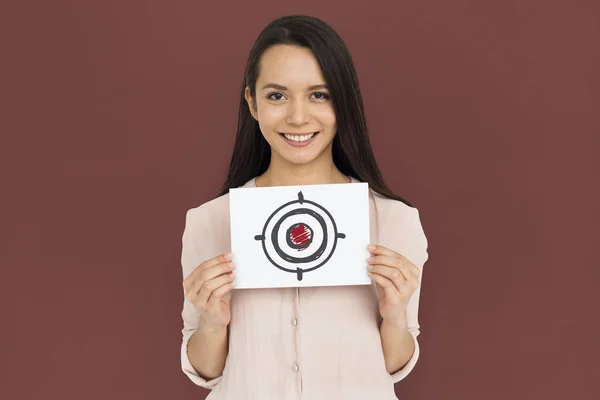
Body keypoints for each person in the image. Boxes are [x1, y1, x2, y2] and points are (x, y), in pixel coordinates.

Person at [179, 15, 429, 400]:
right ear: (252, 101)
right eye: (277, 95)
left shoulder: (393, 220)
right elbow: (205, 371)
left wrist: (395, 314)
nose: (298, 117)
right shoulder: (209, 222)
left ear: (343, 102)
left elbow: (394, 367)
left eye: (319, 94)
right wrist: (212, 323)